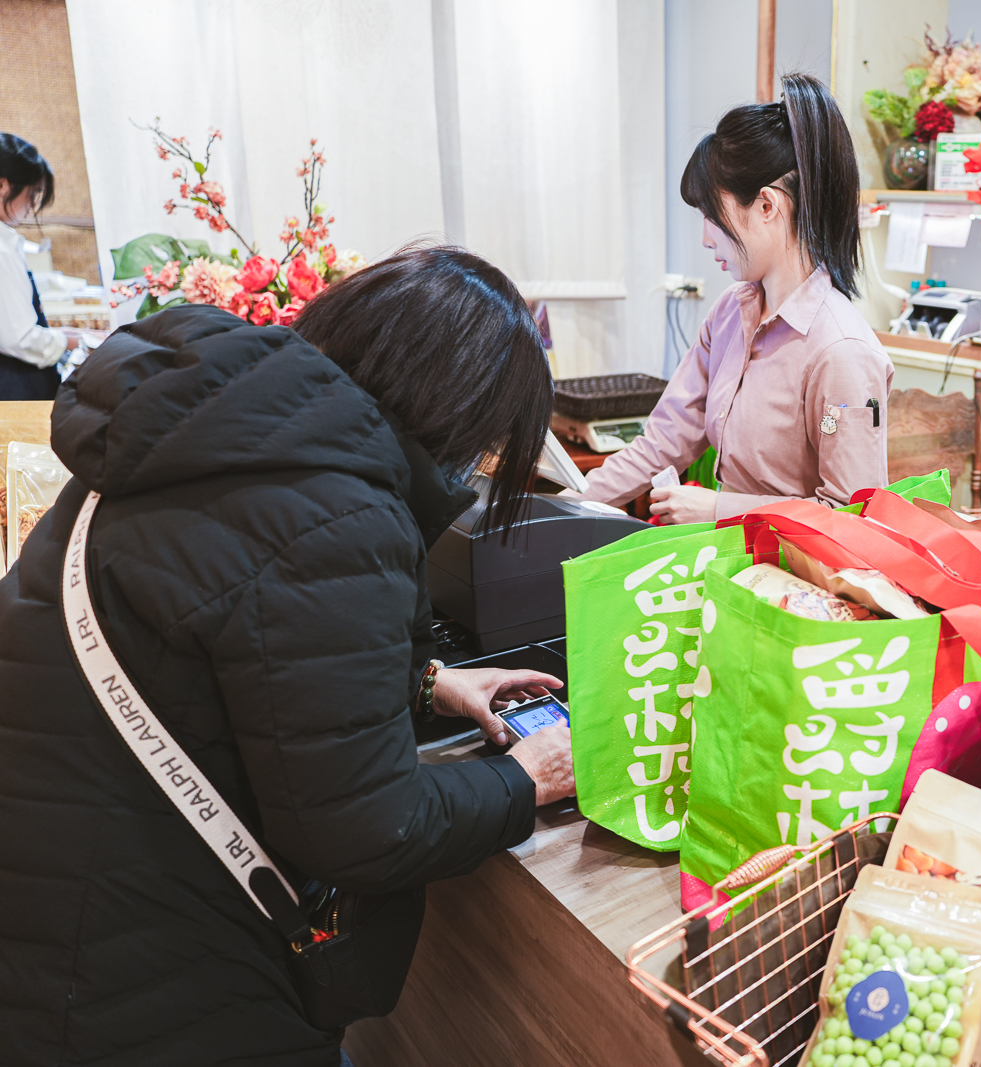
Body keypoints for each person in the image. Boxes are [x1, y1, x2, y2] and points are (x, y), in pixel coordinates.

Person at [0, 247, 575, 1065]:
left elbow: (209, 636)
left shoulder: (207, 425)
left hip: (54, 888)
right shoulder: (339, 513)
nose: (477, 468)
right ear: (454, 410)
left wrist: (427, 682)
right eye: (486, 446)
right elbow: (373, 828)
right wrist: (527, 777)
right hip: (150, 967)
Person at [577, 72, 893, 523]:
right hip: (728, 559)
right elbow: (665, 438)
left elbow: (853, 517)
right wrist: (571, 503)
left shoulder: (841, 351)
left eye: (711, 215)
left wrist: (720, 508)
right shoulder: (731, 311)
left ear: (768, 206)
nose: (707, 239)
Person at [0, 133, 76, 400]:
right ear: (2, 186)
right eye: (32, 194)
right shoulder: (2, 247)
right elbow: (18, 338)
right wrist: (66, 340)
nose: (32, 206)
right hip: (13, 389)